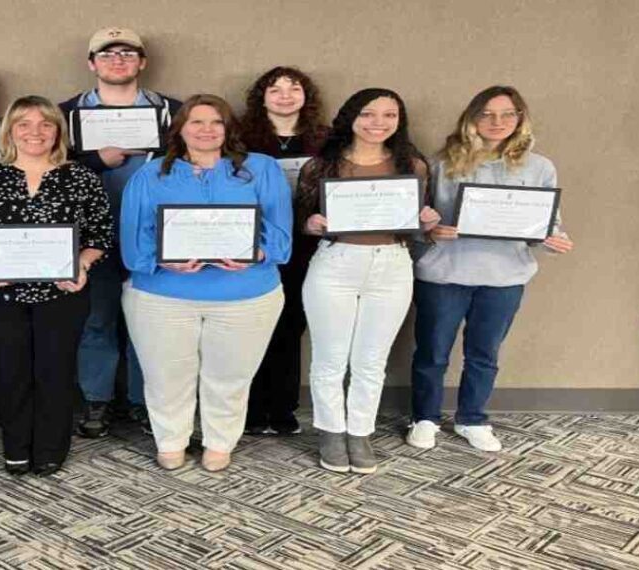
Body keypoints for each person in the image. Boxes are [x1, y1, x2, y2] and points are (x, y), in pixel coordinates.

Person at [121, 94, 291, 473]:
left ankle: (220, 441)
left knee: (230, 377)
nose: (207, 130)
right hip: (162, 296)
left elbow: (281, 238)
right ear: (180, 129)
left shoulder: (261, 169)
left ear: (229, 129)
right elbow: (133, 244)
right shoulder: (150, 175)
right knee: (166, 376)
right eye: (196, 122)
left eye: (217, 122)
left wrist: (256, 253)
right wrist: (162, 259)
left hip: (247, 295)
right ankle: (170, 441)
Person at [407, 86, 574, 452]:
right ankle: (424, 417)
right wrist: (429, 231)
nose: (498, 122)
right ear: (472, 118)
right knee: (432, 353)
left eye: (508, 114)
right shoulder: (441, 163)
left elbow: (546, 223)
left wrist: (552, 239)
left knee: (484, 354)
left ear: (520, 119)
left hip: (504, 277)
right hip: (445, 274)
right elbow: (414, 220)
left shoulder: (539, 167)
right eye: (487, 114)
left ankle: (472, 419)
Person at [0, 96, 113, 476]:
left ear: (58, 131)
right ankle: (16, 447)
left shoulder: (80, 177)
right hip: (0, 295)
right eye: (23, 123)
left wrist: (82, 264)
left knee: (54, 372)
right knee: (10, 372)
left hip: (62, 293)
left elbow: (100, 235)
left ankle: (50, 449)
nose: (35, 132)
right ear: (9, 130)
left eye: (45, 123)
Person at [298, 88, 441, 474]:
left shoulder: (412, 165)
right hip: (335, 264)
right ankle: (331, 431)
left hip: (391, 265)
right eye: (368, 114)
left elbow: (416, 226)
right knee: (330, 358)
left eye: (389, 115)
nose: (378, 123)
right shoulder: (322, 165)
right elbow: (302, 222)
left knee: (371, 360)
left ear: (399, 121)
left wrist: (427, 222)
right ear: (351, 117)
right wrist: (312, 223)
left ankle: (360, 432)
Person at [59, 27, 182, 438]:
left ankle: (143, 401)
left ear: (142, 62)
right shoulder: (66, 113)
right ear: (91, 63)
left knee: (150, 324)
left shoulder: (173, 111)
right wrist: (96, 160)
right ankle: (97, 400)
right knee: (97, 320)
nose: (117, 60)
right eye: (107, 54)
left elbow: (195, 162)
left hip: (155, 237)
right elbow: (47, 168)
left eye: (127, 53)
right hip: (92, 239)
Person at [237, 66, 329, 436]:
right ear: (262, 97)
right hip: (255, 244)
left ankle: (282, 407)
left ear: (307, 97)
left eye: (294, 89)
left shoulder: (324, 140)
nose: (285, 96)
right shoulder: (241, 138)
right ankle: (251, 408)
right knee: (253, 325)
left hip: (306, 244)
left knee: (291, 325)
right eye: (275, 89)